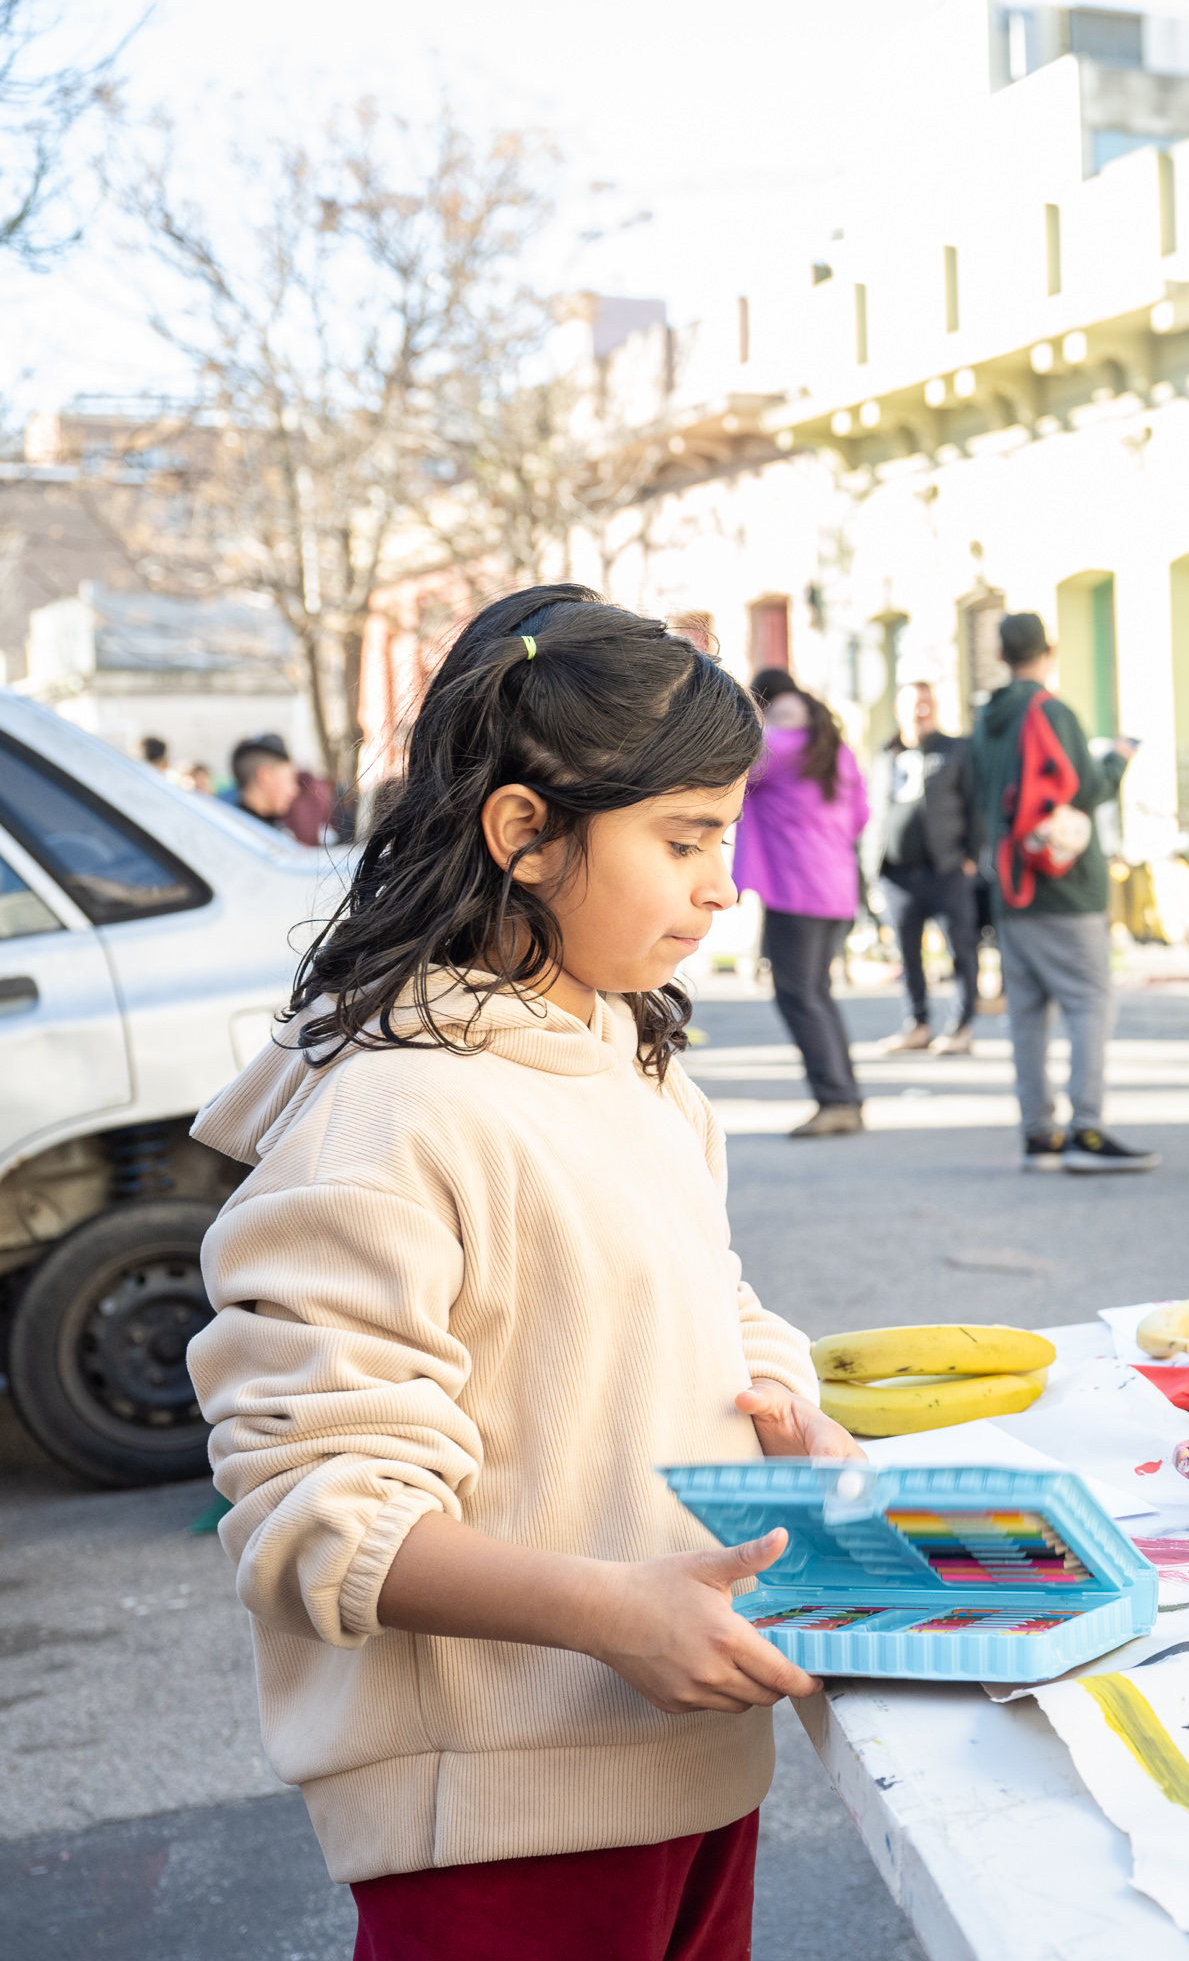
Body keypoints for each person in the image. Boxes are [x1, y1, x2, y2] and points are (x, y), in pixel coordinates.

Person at [183, 585, 861, 1948]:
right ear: (524, 834)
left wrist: (788, 1404)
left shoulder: (631, 1061)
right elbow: (311, 1505)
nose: (722, 884)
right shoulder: (394, 1114)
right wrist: (612, 1612)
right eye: (683, 840)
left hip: (694, 1770)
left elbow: (708, 1291)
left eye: (721, 837)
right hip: (504, 1830)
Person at [970, 612, 1156, 1173]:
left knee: (1027, 1015)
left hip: (1010, 881)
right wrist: (1118, 759)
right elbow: (1087, 786)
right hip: (1064, 883)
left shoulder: (987, 720)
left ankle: (1038, 1133)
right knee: (1090, 1002)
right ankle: (1087, 1131)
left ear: (1002, 656)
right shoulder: (1051, 710)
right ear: (1048, 651)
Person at [734, 669, 868, 1139]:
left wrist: (758, 721)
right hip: (836, 889)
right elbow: (860, 818)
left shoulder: (784, 747)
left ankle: (837, 1100)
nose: (774, 722)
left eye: (778, 713)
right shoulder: (838, 753)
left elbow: (736, 764)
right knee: (817, 995)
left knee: (798, 996)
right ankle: (844, 1097)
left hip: (796, 888)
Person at [874, 679, 980, 1056]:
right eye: (914, 704)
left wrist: (972, 857)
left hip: (947, 868)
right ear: (898, 709)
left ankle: (961, 1027)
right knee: (907, 954)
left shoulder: (956, 750)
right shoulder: (886, 753)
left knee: (961, 950)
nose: (922, 711)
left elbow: (976, 805)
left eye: (927, 704)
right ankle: (917, 1025)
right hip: (897, 874)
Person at [228, 733, 344, 846]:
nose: (294, 791)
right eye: (291, 779)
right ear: (265, 776)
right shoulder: (244, 841)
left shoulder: (236, 828)